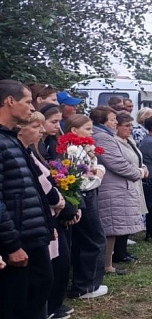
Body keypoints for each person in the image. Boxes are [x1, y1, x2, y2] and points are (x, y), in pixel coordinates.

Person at [0, 80, 58, 319]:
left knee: (40, 289)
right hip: (18, 240)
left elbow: (30, 188)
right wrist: (11, 244)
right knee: (16, 307)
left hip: (33, 235)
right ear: (10, 101)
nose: (31, 106)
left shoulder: (11, 139)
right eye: (26, 101)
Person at [17, 110, 69, 319]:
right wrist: (60, 202)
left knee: (49, 272)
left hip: (43, 218)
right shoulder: (20, 152)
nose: (41, 131)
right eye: (36, 127)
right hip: (33, 221)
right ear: (20, 130)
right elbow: (42, 184)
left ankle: (48, 309)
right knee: (39, 279)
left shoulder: (29, 152)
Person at [91, 107, 145, 276]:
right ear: (103, 122)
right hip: (111, 189)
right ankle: (106, 266)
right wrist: (139, 173)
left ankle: (108, 264)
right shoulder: (103, 137)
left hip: (117, 188)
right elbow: (117, 163)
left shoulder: (106, 136)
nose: (115, 122)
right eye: (113, 119)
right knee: (110, 229)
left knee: (112, 230)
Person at [64, 114, 109, 299]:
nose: (92, 133)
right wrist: (98, 176)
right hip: (85, 195)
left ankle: (85, 282)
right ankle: (86, 285)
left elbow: (96, 166)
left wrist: (98, 171)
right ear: (74, 131)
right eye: (88, 129)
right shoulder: (73, 150)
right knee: (94, 239)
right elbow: (82, 180)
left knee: (89, 239)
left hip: (89, 194)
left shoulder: (84, 148)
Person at [112, 112, 147, 264]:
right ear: (117, 127)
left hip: (136, 180)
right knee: (123, 218)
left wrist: (143, 166)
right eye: (127, 126)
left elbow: (137, 157)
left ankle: (124, 250)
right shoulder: (115, 142)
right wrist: (138, 171)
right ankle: (119, 253)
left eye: (131, 126)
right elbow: (123, 163)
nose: (130, 129)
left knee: (131, 215)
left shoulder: (130, 140)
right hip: (124, 183)